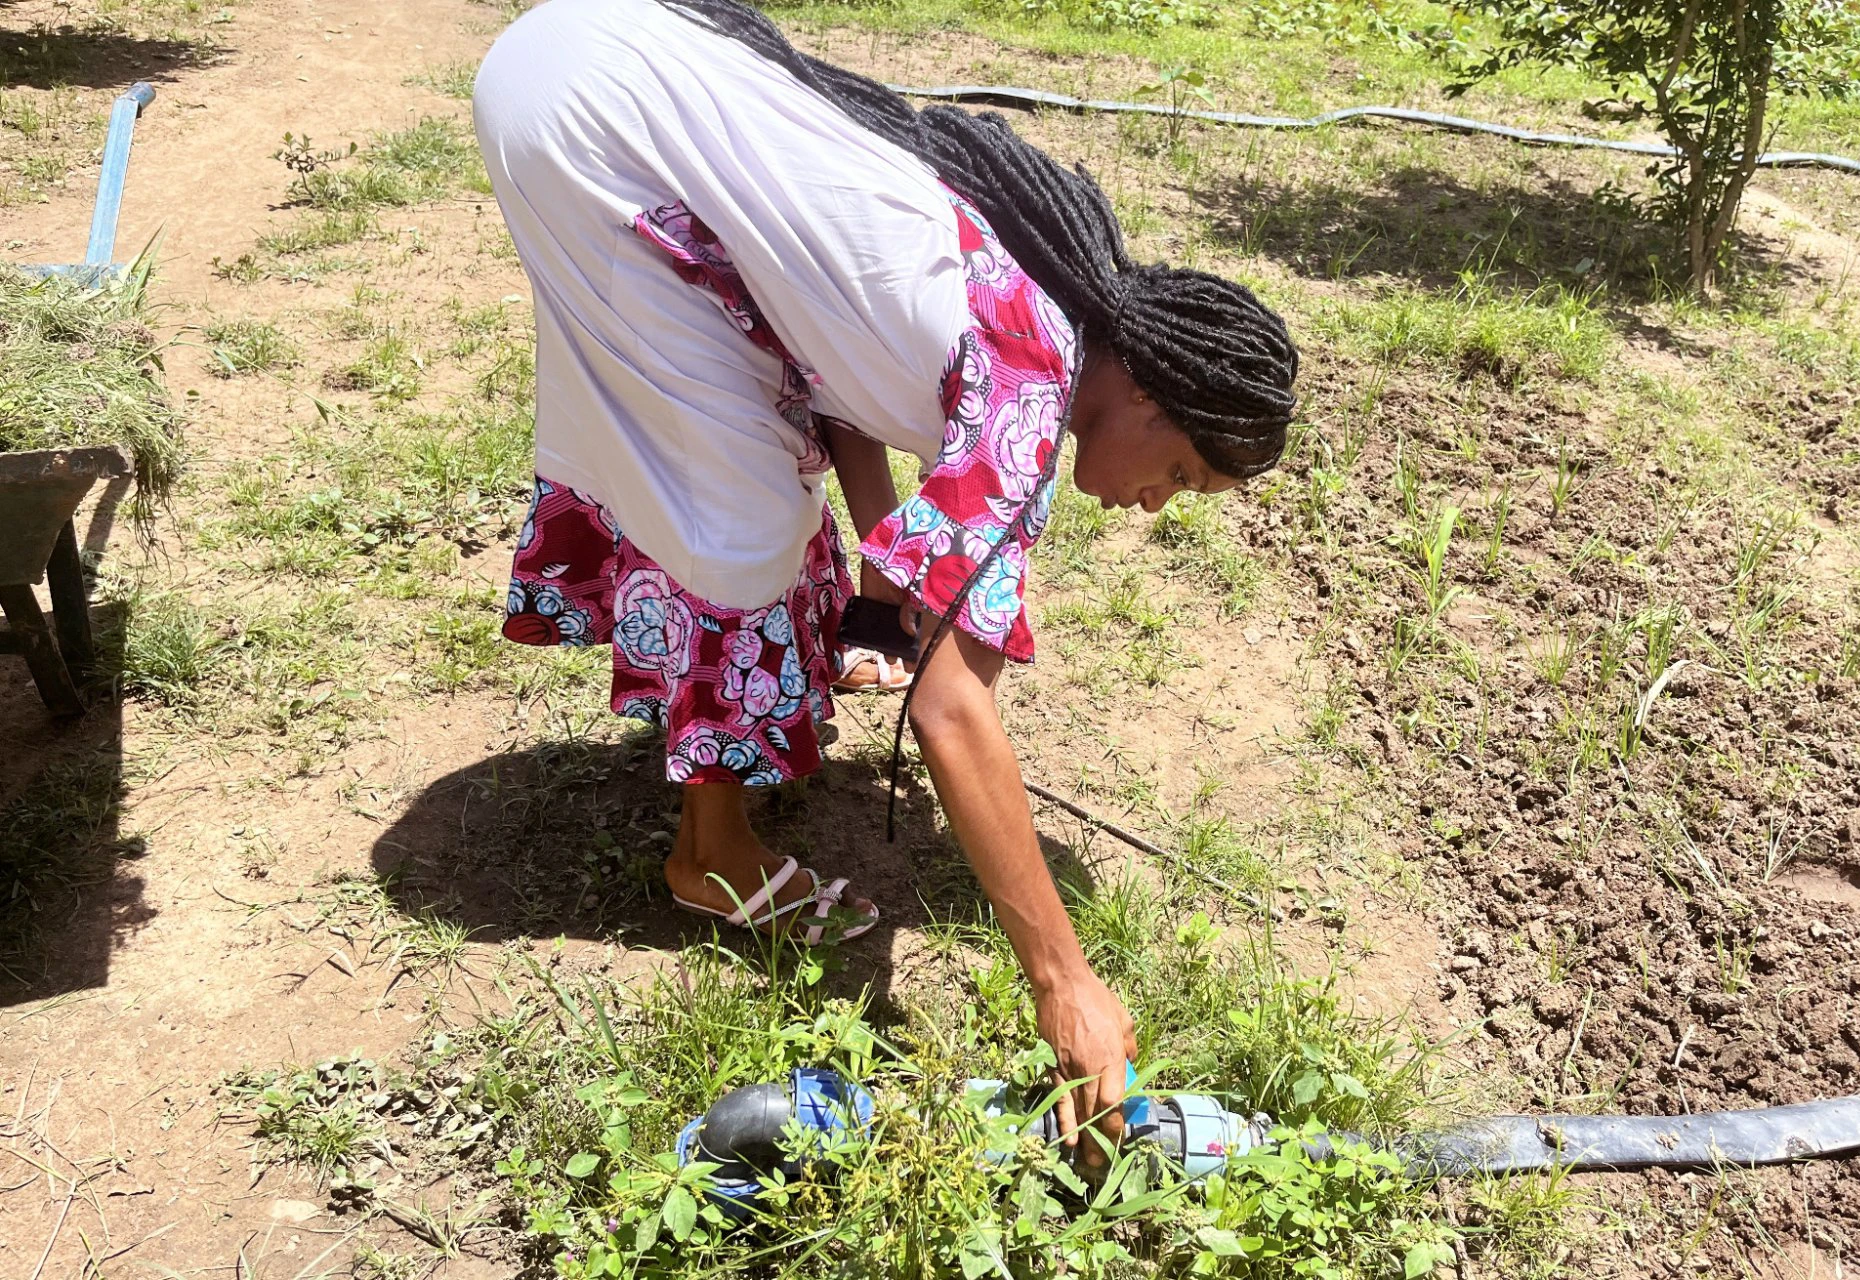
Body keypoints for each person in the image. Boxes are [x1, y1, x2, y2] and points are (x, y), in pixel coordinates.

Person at [472, 0, 1297, 1157]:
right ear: (1152, 399)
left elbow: (838, 371)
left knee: (752, 487)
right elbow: (951, 710)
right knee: (737, 529)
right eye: (1181, 474)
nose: (1156, 503)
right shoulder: (1029, 387)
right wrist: (1062, 980)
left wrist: (884, 593)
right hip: (590, 123)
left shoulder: (1040, 289)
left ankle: (714, 835)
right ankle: (712, 858)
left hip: (590, 56)